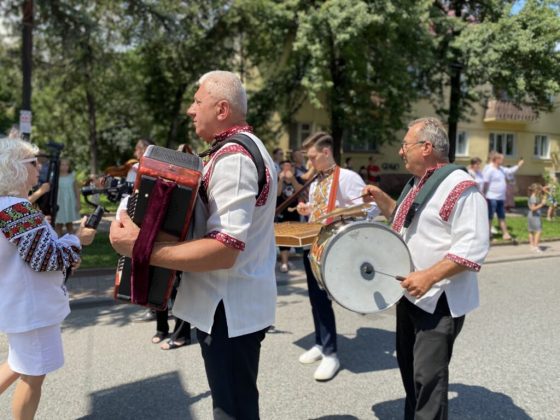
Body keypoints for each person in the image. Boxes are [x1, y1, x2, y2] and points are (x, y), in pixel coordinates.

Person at [109, 70, 277, 419]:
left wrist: (140, 248)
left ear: (221, 109)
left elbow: (225, 249)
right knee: (235, 404)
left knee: (231, 410)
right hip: (230, 307)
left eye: (197, 102)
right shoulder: (239, 151)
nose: (190, 109)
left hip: (227, 311)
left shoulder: (234, 159)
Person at [362, 117, 489, 420]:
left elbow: (473, 248)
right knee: (411, 375)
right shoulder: (419, 183)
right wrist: (383, 201)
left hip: (437, 300)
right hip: (409, 293)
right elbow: (411, 222)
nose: (401, 151)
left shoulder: (461, 187)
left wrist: (429, 276)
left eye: (405, 145)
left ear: (426, 147)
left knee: (428, 384)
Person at [0, 136, 96, 420]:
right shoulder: (16, 209)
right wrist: (77, 239)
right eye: (33, 162)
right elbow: (48, 259)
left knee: (19, 364)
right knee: (33, 375)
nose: (39, 167)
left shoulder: (10, 206)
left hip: (20, 304)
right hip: (31, 308)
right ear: (15, 167)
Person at [296, 132, 378, 381]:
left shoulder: (348, 177)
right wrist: (307, 209)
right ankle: (320, 343)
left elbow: (370, 208)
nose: (310, 163)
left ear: (326, 152)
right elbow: (318, 209)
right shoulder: (319, 180)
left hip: (333, 247)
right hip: (313, 244)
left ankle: (332, 354)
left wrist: (344, 213)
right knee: (314, 298)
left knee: (322, 299)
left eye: (312, 158)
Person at [483, 153, 524, 241]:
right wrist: (483, 194)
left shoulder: (501, 169)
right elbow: (485, 183)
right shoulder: (490, 170)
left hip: (501, 198)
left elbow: (510, 171)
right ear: (496, 159)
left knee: (502, 216)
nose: (503, 160)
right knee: (490, 216)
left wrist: (519, 165)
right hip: (491, 197)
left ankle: (505, 234)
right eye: (501, 159)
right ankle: (488, 233)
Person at [276, 159, 303, 272]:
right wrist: (281, 180)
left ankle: (286, 260)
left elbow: (299, 191)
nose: (287, 170)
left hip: (294, 211)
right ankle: (284, 263)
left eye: (289, 167)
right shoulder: (278, 179)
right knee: (284, 236)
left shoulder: (296, 178)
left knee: (292, 236)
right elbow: (277, 193)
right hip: (282, 211)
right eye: (285, 167)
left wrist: (292, 179)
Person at [55, 158, 81, 236]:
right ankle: (58, 241)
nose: (64, 167)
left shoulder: (72, 176)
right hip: (59, 202)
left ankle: (71, 242)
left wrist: (78, 202)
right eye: (62, 165)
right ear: (58, 166)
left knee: (69, 223)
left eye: (66, 165)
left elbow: (76, 190)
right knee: (58, 223)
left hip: (69, 202)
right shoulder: (55, 176)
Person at [527, 183, 546, 253]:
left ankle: (532, 246)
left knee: (531, 231)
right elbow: (532, 208)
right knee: (538, 231)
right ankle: (536, 246)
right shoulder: (533, 197)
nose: (540, 191)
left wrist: (544, 193)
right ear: (536, 190)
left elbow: (543, 195)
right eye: (539, 190)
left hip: (531, 216)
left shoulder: (532, 196)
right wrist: (541, 204)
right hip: (534, 216)